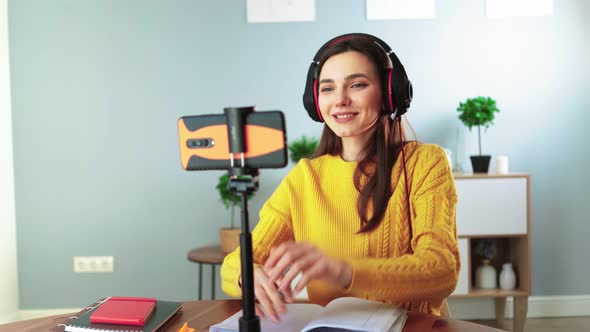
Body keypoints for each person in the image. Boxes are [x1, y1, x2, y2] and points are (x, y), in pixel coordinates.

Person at [220, 33, 459, 322]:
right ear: (316, 102)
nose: (341, 100)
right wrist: (250, 276)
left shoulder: (425, 163)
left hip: (411, 327)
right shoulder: (305, 177)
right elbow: (234, 264)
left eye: (357, 85)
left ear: (389, 92)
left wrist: (344, 272)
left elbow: (441, 270)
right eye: (328, 88)